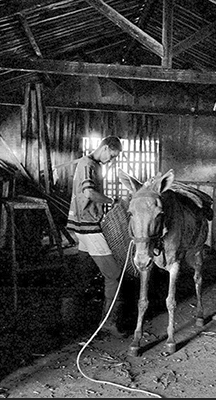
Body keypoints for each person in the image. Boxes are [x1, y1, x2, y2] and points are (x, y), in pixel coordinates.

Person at [66, 136, 128, 338]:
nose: (111, 160)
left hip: (80, 226)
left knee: (83, 272)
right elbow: (90, 193)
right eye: (112, 155)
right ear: (106, 147)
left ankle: (70, 315)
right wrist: (112, 200)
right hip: (89, 227)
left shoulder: (89, 163)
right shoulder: (88, 164)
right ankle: (109, 322)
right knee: (114, 275)